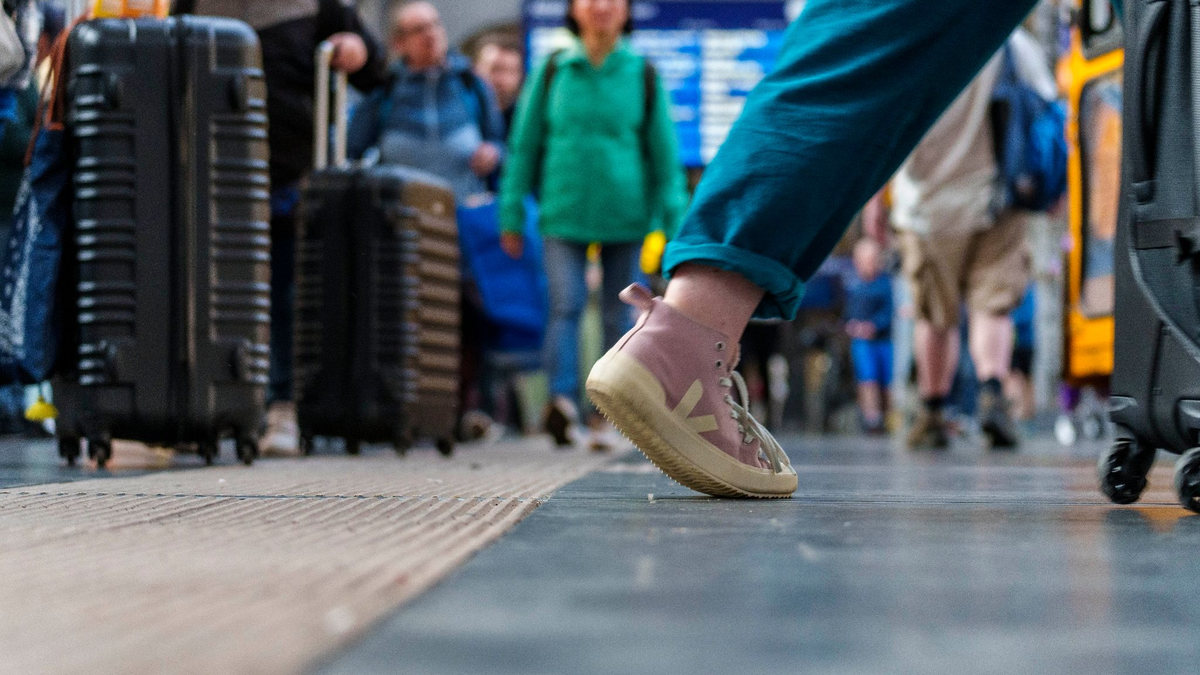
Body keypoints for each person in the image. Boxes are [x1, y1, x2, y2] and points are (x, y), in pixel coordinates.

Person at [585, 0, 1053, 499]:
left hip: (929, 204)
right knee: (866, 45)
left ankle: (685, 328)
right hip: (994, 196)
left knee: (855, 45)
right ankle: (688, 335)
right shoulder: (1022, 51)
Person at [176, 0, 389, 454]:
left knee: (287, 296)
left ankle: (282, 408)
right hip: (215, 171)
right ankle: (208, 406)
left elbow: (375, 69)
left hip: (291, 172)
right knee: (214, 291)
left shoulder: (317, 5)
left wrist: (356, 49)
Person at [499, 0, 688, 450]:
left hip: (627, 217)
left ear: (626, 12)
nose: (601, 6)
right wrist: (509, 211)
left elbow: (664, 156)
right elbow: (523, 148)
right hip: (562, 213)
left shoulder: (642, 73)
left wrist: (675, 224)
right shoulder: (553, 70)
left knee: (616, 315)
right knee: (564, 306)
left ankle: (606, 414)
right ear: (574, 10)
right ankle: (561, 405)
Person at [891, 28, 1055, 452]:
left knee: (935, 316)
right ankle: (992, 395)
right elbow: (1047, 111)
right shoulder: (1011, 41)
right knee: (992, 308)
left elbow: (883, 132)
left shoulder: (911, 40)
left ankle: (931, 411)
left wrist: (874, 205)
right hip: (998, 196)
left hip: (926, 205)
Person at [346, 1, 507, 201]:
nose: (430, 34)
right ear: (399, 43)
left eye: (435, 24)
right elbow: (352, 154)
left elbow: (500, 144)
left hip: (463, 215)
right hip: (402, 219)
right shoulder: (384, 91)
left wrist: (493, 153)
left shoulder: (471, 84)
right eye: (419, 29)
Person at [844, 238, 893, 435]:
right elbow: (849, 312)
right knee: (867, 378)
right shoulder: (854, 285)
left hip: (883, 340)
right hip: (863, 341)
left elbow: (888, 312)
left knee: (886, 381)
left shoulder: (885, 284)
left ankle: (888, 416)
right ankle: (871, 417)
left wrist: (874, 325)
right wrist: (851, 325)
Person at [472, 35, 524, 135]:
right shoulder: (462, 114)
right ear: (475, 70)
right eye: (495, 69)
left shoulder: (525, 115)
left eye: (511, 71)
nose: (503, 80)